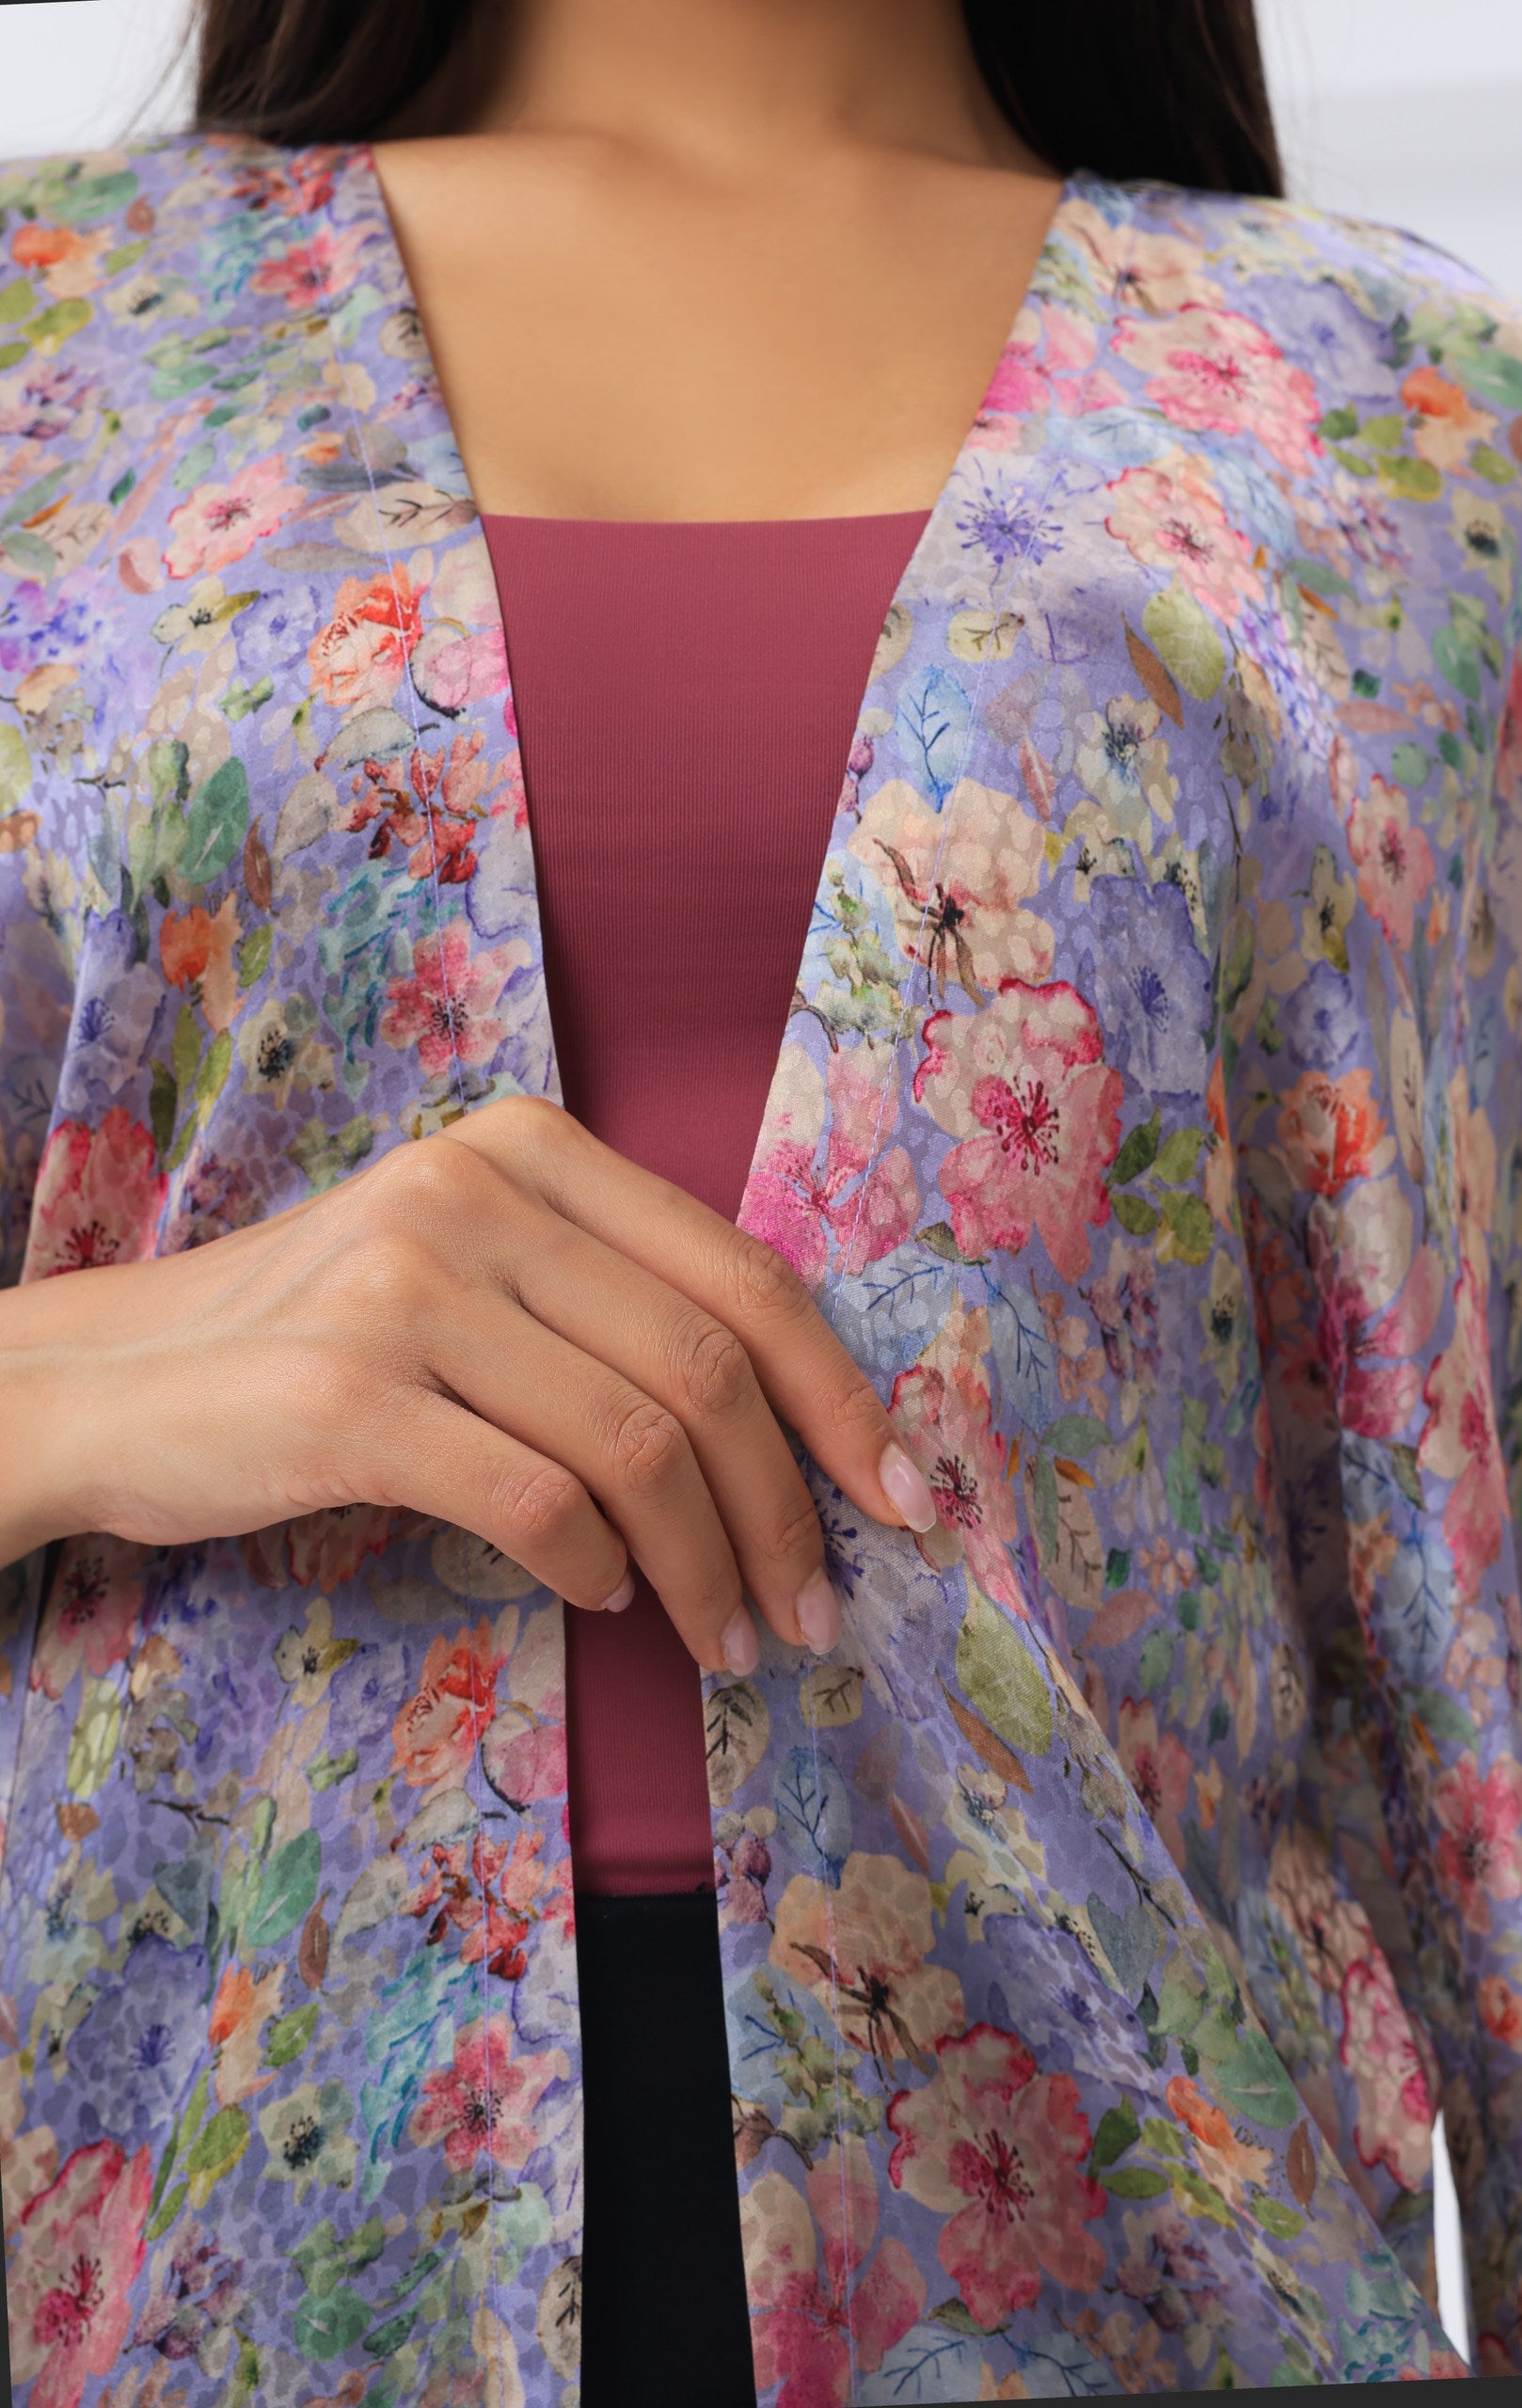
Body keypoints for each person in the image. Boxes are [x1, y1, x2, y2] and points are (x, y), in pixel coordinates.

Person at [0, 0, 1518, 2400]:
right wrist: (75, 1377)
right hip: (192, 2233)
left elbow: (1473, 1563)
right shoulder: (48, 350)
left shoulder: (1401, 423)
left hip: (1132, 2254)